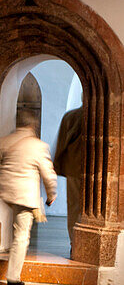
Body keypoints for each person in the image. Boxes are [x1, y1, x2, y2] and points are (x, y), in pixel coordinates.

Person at [0, 109, 58, 285]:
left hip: (7, 192)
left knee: (17, 226)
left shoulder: (4, 141)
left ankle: (13, 266)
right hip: (24, 195)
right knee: (21, 235)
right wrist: (51, 194)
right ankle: (13, 276)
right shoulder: (38, 146)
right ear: (33, 125)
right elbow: (48, 174)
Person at [54, 102, 84, 256]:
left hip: (74, 167)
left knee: (74, 206)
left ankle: (74, 243)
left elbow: (62, 143)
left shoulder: (71, 116)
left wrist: (58, 164)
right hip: (95, 168)